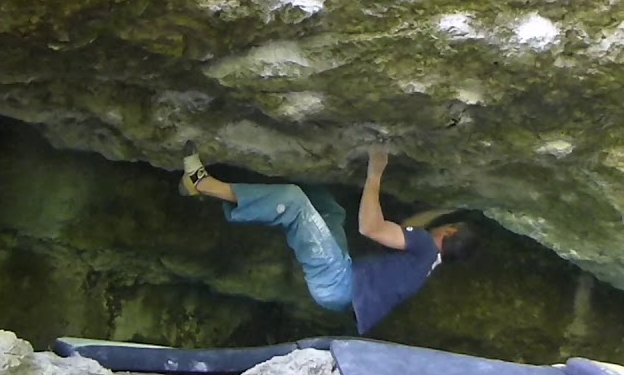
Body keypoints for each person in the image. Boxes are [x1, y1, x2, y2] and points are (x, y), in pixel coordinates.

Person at [178, 140, 477, 334]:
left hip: (339, 282)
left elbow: (371, 228)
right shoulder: (427, 259)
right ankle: (236, 198)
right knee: (329, 209)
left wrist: (375, 172)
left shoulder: (425, 248)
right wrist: (441, 209)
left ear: (450, 232)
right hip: (341, 288)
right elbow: (407, 227)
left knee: (294, 202)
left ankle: (201, 184)